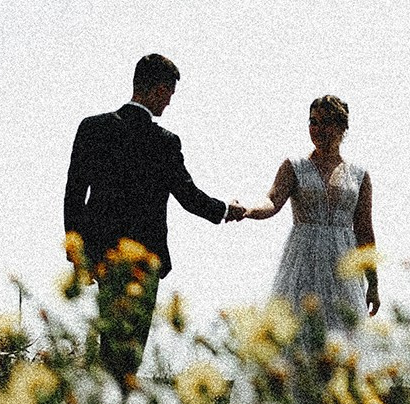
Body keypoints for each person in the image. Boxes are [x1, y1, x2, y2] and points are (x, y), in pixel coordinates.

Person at [64, 53, 246, 382]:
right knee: (130, 351)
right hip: (144, 260)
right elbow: (189, 197)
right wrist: (225, 210)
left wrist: (77, 253)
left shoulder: (92, 128)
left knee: (108, 339)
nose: (169, 104)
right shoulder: (163, 142)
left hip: (102, 255)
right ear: (160, 90)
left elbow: (74, 194)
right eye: (170, 95)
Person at [244, 94, 379, 330]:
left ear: (341, 127)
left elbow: (365, 230)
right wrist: (247, 210)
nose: (318, 129)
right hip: (303, 257)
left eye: (326, 122)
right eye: (313, 122)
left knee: (342, 331)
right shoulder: (294, 166)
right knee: (299, 327)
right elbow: (272, 201)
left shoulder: (359, 175)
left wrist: (373, 283)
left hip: (343, 261)